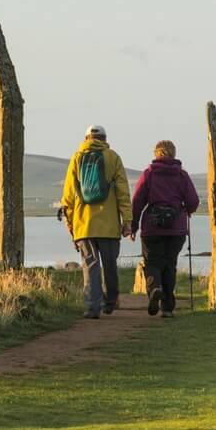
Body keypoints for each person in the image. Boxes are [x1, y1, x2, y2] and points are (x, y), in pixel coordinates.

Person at [60, 124, 131, 319]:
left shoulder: (76, 158)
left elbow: (68, 195)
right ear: (105, 138)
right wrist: (127, 220)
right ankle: (110, 301)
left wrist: (70, 222)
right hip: (109, 225)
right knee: (110, 265)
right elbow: (123, 192)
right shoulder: (113, 157)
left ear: (86, 138)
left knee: (90, 266)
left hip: (84, 224)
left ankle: (92, 307)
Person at [130, 139, 200, 318]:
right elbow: (193, 201)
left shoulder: (149, 174)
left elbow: (137, 201)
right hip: (176, 229)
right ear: (174, 154)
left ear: (156, 154)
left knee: (152, 262)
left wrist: (133, 225)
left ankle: (154, 288)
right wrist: (187, 210)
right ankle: (167, 307)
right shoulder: (182, 175)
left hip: (152, 228)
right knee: (170, 264)